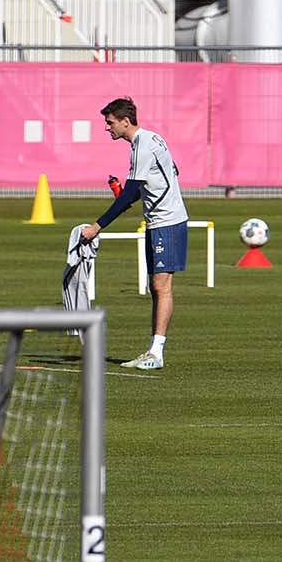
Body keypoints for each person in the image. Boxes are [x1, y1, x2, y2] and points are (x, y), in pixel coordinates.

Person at [76, 97, 188, 371]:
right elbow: (170, 173)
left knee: (162, 286)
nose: (107, 128)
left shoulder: (142, 146)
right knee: (156, 287)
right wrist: (132, 195)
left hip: (167, 221)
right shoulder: (152, 139)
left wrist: (97, 226)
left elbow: (129, 194)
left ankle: (157, 353)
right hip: (158, 220)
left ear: (125, 121)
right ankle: (153, 349)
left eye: (109, 122)